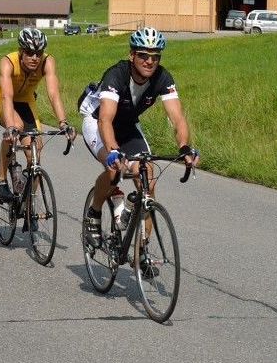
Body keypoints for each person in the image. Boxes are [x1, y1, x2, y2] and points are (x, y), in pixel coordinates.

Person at [79, 27, 198, 268]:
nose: (150, 61)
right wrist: (113, 151)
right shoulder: (117, 75)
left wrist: (185, 147)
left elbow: (178, 118)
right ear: (132, 54)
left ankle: (141, 251)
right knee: (116, 169)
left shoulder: (163, 78)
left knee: (148, 179)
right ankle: (94, 213)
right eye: (144, 55)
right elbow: (105, 120)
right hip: (99, 123)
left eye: (155, 56)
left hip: (128, 126)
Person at [0, 27, 75, 207]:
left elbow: (53, 94)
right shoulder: (8, 62)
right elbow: (7, 96)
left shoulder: (47, 62)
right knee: (16, 128)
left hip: (26, 101)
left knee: (35, 150)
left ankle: (29, 203)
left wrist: (63, 122)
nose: (35, 57)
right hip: (2, 98)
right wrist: (10, 127)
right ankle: (2, 180)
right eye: (29, 53)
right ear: (21, 51)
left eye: (38, 53)